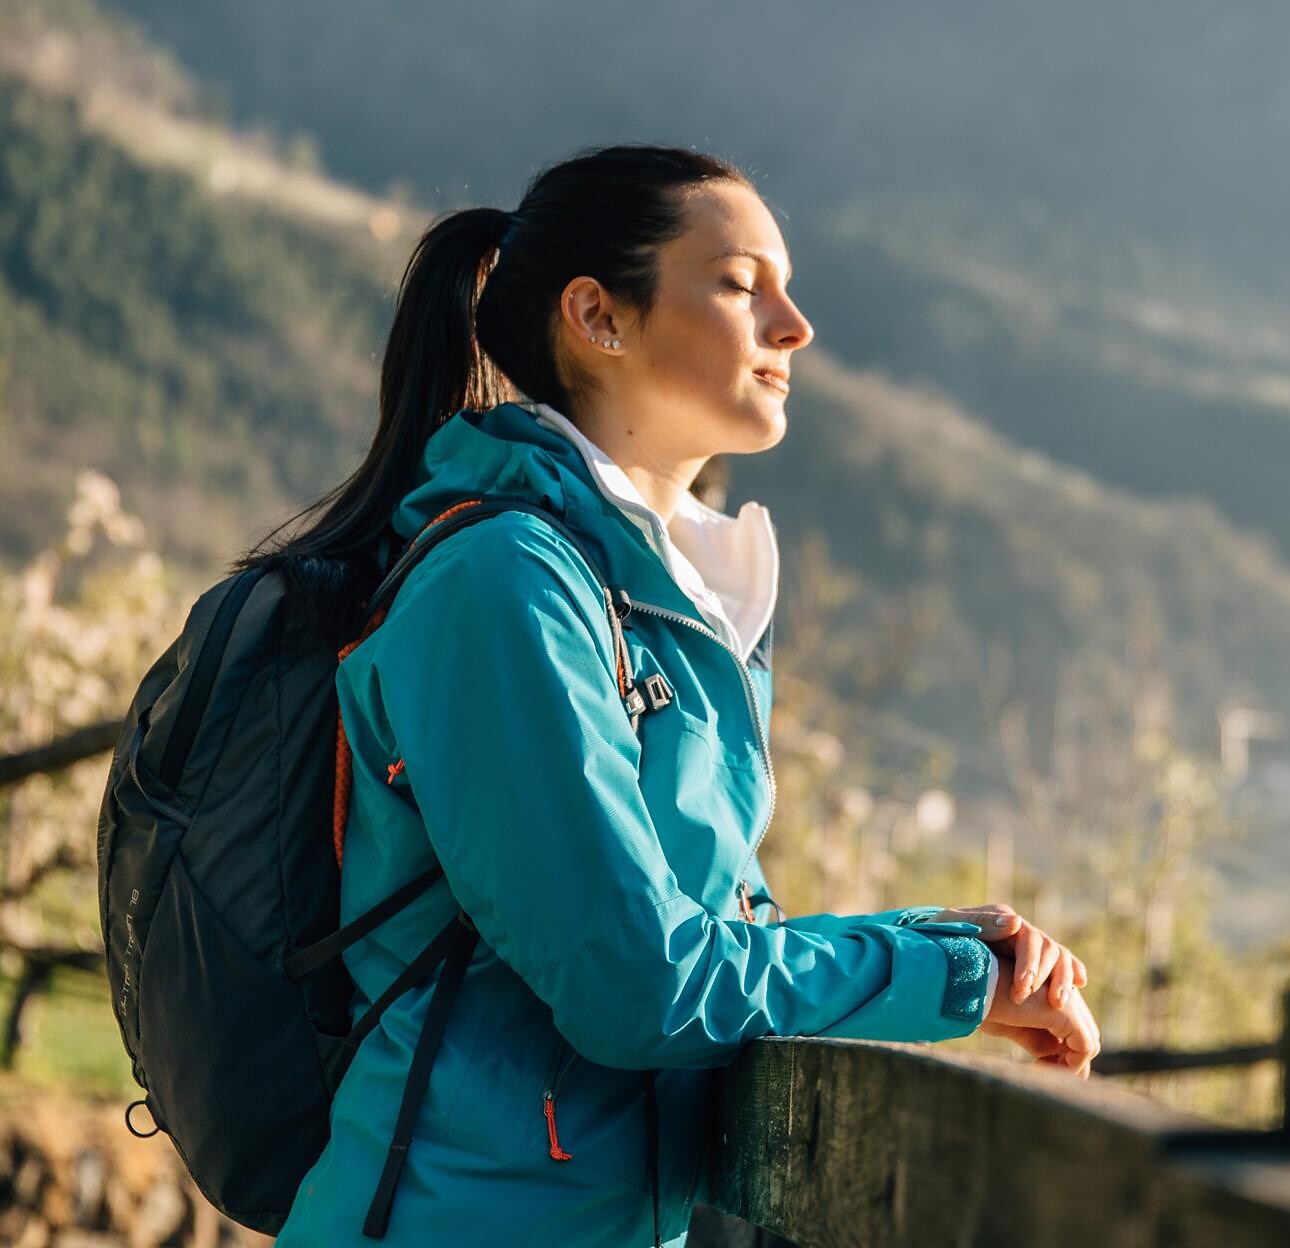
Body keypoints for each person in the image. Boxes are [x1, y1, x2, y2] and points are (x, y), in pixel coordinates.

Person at [251, 143, 1100, 1247]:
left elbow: (690, 936)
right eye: (744, 287)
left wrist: (938, 940)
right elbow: (640, 985)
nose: (793, 327)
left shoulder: (664, 596)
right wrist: (944, 980)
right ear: (597, 317)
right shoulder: (504, 586)